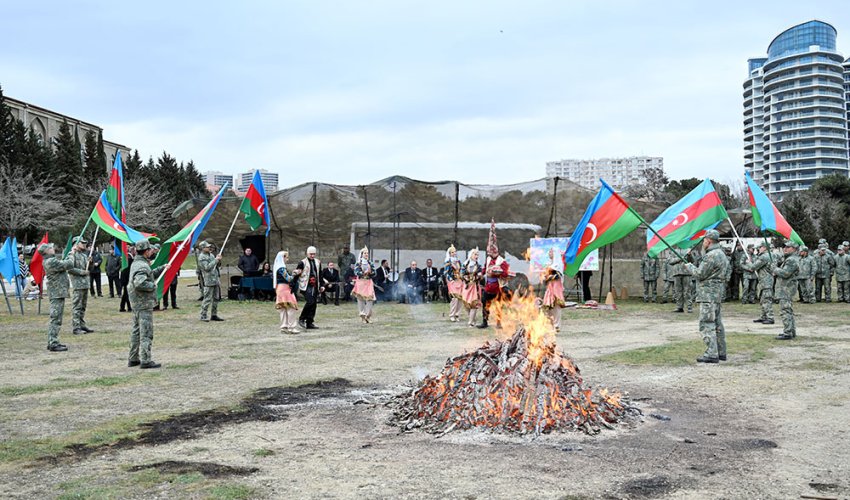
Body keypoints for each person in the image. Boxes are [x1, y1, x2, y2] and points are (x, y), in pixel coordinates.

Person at [684, 229, 728, 364]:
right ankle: (721, 352)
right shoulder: (721, 254)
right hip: (717, 293)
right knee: (717, 323)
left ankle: (711, 353)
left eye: (704, 240)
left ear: (708, 240)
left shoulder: (711, 255)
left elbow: (700, 273)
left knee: (707, 323)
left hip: (708, 294)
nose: (703, 242)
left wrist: (689, 266)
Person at [127, 239, 169, 369]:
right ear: (146, 252)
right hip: (143, 302)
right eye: (150, 250)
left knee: (136, 331)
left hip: (137, 303)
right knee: (146, 332)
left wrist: (162, 268)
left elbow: (148, 274)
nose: (152, 251)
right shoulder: (142, 265)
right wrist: (152, 286)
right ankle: (145, 360)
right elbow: (140, 283)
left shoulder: (138, 262)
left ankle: (133, 358)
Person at [40, 242, 74, 352]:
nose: (52, 248)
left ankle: (52, 341)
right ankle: (53, 342)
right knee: (55, 318)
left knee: (56, 318)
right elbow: (68, 264)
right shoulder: (51, 261)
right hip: (57, 293)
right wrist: (71, 255)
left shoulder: (50, 260)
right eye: (50, 248)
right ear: (46, 251)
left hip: (57, 292)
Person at [773, 240, 801, 340]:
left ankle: (788, 332)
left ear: (794, 249)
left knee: (785, 310)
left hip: (787, 288)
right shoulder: (789, 259)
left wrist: (775, 269)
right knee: (788, 310)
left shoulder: (792, 260)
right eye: (784, 247)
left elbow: (785, 273)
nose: (785, 249)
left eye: (788, 247)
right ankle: (791, 331)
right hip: (786, 288)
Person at [742, 242, 775, 324]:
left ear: (764, 247)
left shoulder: (764, 256)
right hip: (766, 279)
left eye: (759, 248)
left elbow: (753, 267)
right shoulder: (770, 255)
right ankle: (764, 316)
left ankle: (770, 317)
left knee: (766, 299)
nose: (758, 249)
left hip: (766, 280)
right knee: (763, 299)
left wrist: (749, 262)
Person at [479, 242, 510, 329]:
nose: (489, 253)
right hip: (488, 286)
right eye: (489, 252)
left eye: (491, 252)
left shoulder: (502, 261)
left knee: (498, 306)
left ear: (496, 252)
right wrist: (481, 273)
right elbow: (485, 268)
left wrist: (496, 272)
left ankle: (498, 323)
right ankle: (485, 322)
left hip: (498, 288)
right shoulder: (488, 259)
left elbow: (505, 273)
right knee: (484, 304)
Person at [68, 236, 94, 334]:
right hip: (77, 284)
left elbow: (88, 269)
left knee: (83, 306)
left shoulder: (84, 255)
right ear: (76, 243)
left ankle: (82, 324)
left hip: (85, 284)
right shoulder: (72, 255)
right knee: (77, 306)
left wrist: (90, 262)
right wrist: (82, 272)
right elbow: (70, 269)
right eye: (82, 243)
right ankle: (76, 327)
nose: (84, 244)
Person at [294, 246, 323, 329]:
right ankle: (302, 318)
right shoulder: (302, 263)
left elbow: (320, 274)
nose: (312, 256)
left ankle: (310, 322)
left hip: (315, 285)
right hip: (305, 285)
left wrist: (321, 285)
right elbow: (297, 274)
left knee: (314, 304)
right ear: (307, 253)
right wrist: (292, 285)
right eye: (311, 254)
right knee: (310, 301)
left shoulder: (318, 262)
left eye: (314, 254)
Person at [273, 251, 300, 334]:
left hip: (280, 288)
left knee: (283, 308)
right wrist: (295, 274)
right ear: (283, 257)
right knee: (291, 307)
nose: (287, 259)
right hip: (285, 288)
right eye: (286, 257)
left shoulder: (278, 267)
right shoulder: (281, 268)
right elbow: (289, 279)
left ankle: (284, 326)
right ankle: (291, 327)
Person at [198, 241, 223, 321]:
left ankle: (214, 314)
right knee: (207, 298)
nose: (209, 248)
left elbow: (216, 266)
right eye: (207, 247)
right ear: (202, 248)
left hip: (215, 279)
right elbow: (207, 268)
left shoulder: (211, 255)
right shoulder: (202, 257)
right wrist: (216, 260)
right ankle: (203, 315)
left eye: (209, 246)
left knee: (216, 298)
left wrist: (219, 260)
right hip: (209, 280)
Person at [542, 247, 566, 332]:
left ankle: (557, 325)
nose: (549, 253)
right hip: (550, 287)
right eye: (549, 252)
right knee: (549, 307)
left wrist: (548, 277)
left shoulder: (558, 264)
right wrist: (545, 278)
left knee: (556, 307)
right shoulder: (549, 265)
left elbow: (557, 276)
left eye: (551, 252)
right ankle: (550, 325)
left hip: (556, 288)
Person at [353, 247, 376, 322]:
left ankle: (367, 315)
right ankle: (362, 313)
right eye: (365, 253)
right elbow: (356, 272)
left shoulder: (370, 263)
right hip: (361, 282)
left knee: (370, 299)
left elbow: (375, 272)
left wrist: (370, 273)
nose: (366, 254)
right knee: (360, 299)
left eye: (367, 253)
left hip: (368, 281)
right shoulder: (358, 263)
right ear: (362, 254)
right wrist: (363, 273)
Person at [461, 248, 482, 327]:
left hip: (474, 286)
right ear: (471, 255)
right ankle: (472, 318)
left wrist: (479, 276)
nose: (476, 256)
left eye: (477, 255)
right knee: (466, 304)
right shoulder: (465, 264)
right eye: (475, 254)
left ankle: (471, 322)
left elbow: (480, 274)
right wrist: (465, 278)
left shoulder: (478, 265)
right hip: (466, 286)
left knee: (474, 304)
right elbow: (462, 274)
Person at [444, 245, 463, 322]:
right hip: (452, 281)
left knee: (460, 298)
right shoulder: (448, 261)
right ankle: (452, 314)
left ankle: (457, 314)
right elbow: (446, 272)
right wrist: (450, 279)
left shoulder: (458, 261)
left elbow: (461, 270)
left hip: (459, 280)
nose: (454, 253)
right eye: (452, 252)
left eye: (455, 252)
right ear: (449, 253)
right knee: (454, 298)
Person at [120, 246, 135, 312]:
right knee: (127, 293)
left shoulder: (127, 257)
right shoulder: (129, 258)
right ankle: (129, 307)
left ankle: (122, 307)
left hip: (125, 278)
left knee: (125, 293)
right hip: (127, 279)